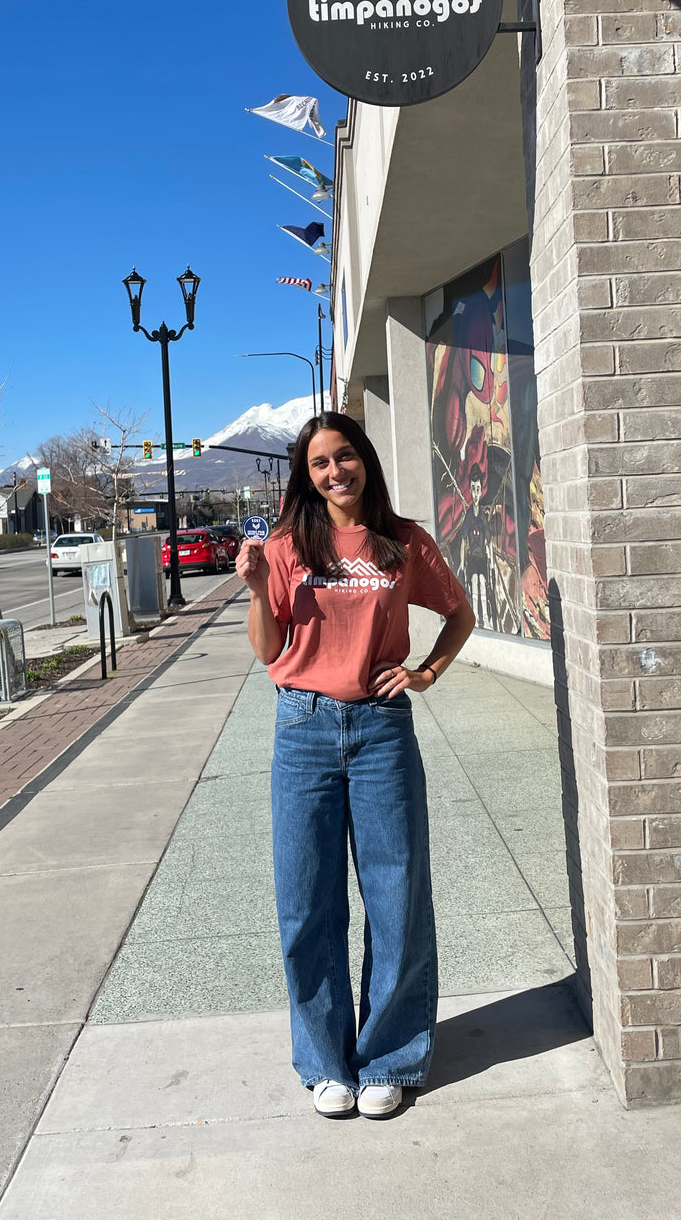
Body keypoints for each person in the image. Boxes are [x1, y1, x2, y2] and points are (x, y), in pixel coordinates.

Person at [236, 412, 475, 1120]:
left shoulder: (402, 543)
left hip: (380, 730)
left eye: (344, 457)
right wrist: (255, 589)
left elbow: (457, 614)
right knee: (307, 900)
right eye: (319, 464)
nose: (335, 471)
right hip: (303, 727)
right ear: (305, 476)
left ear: (363, 460)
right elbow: (268, 648)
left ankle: (390, 1057)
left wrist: (426, 673)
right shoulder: (286, 545)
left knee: (396, 895)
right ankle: (325, 1062)